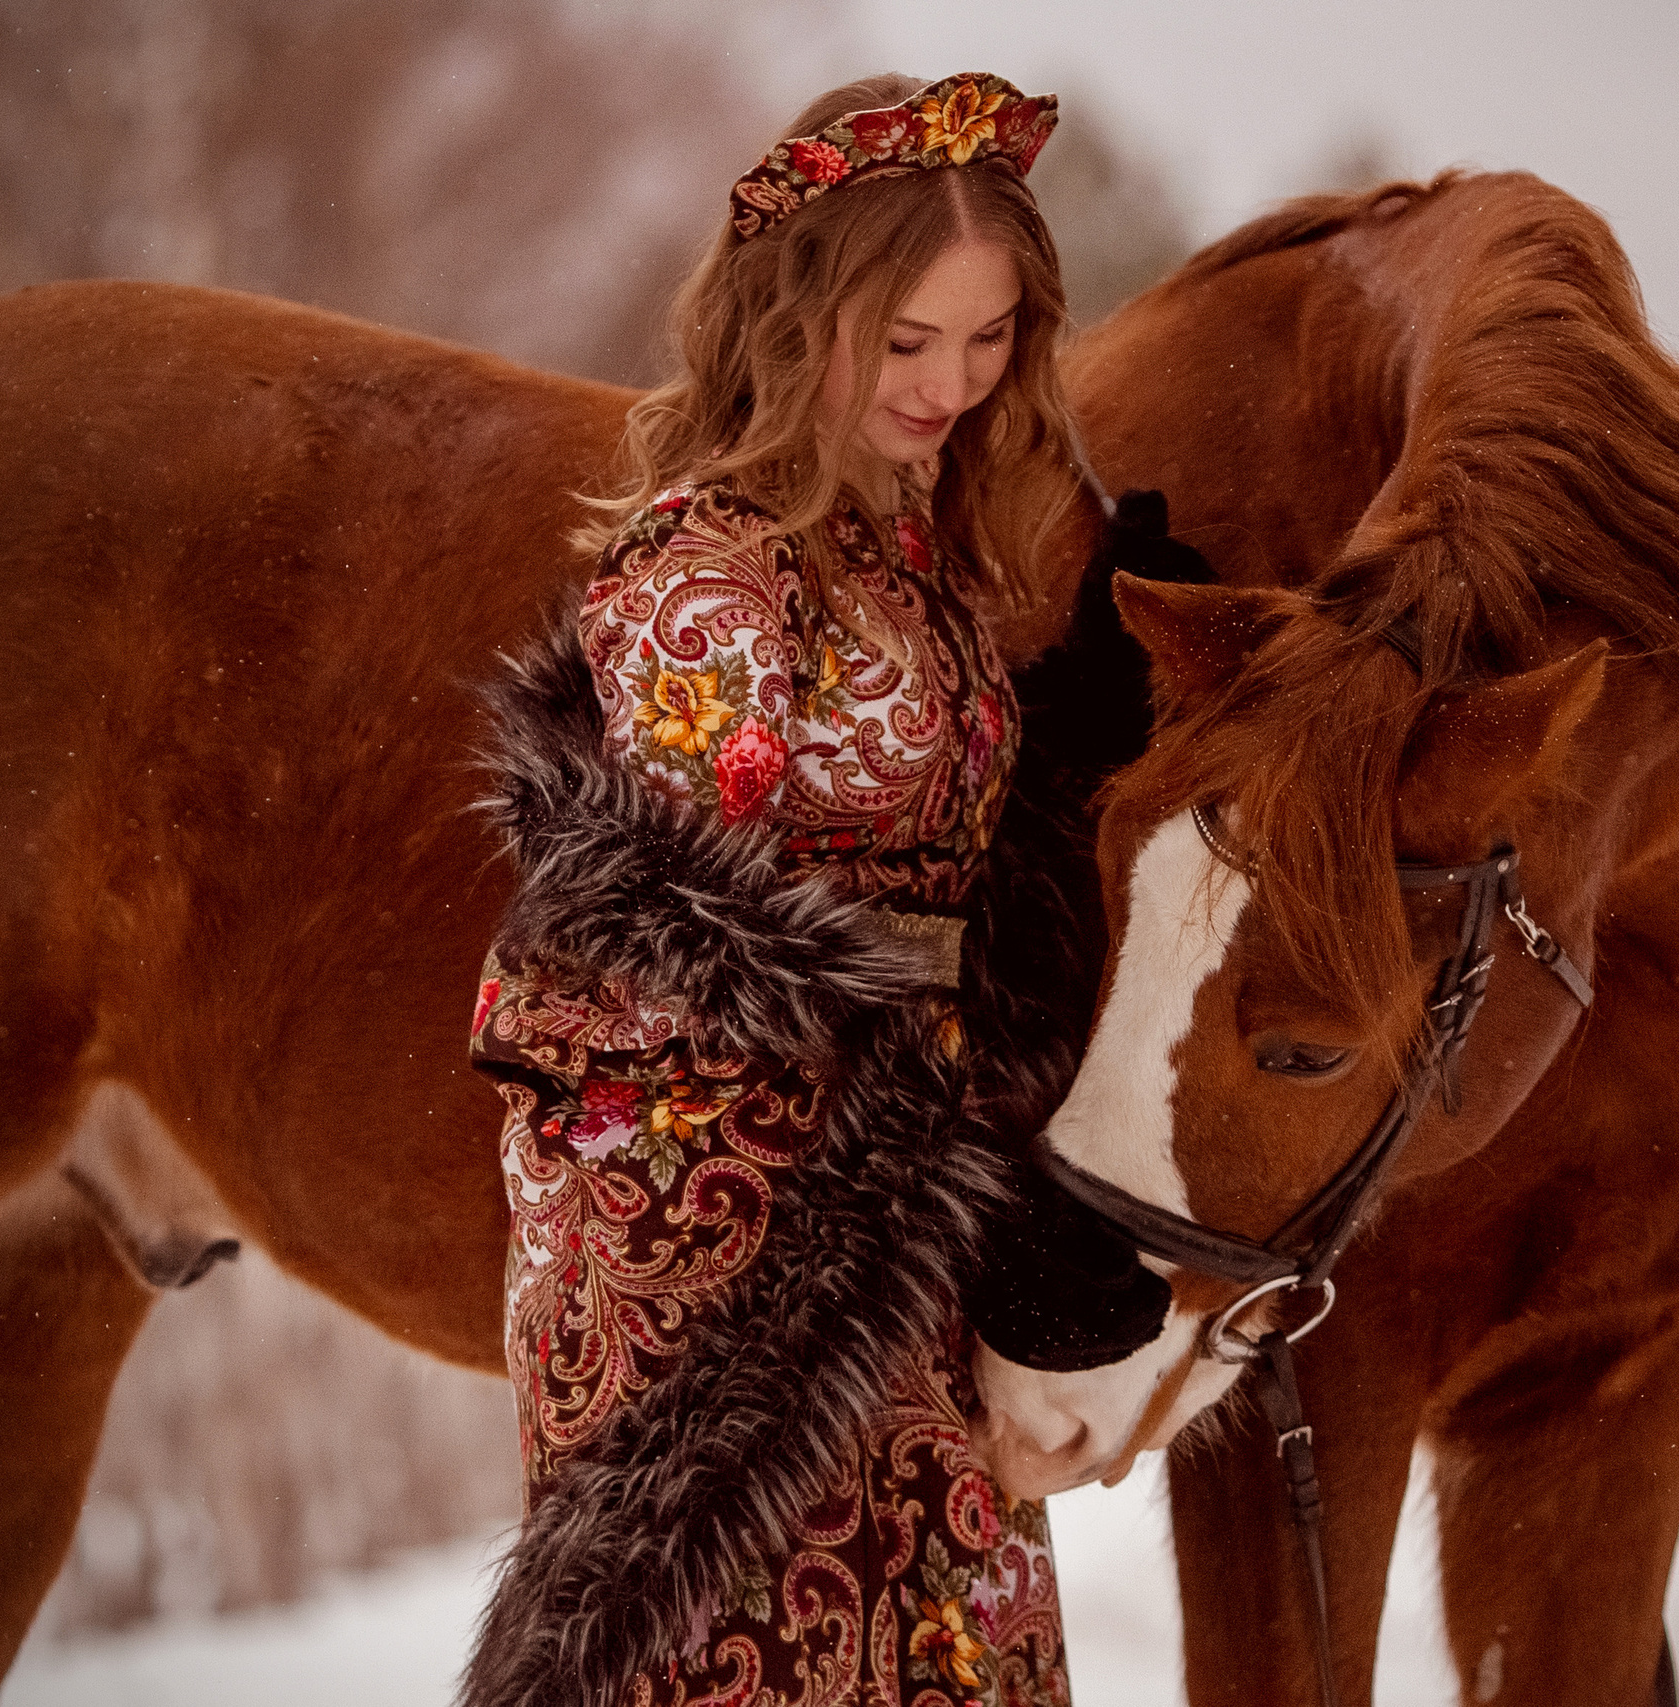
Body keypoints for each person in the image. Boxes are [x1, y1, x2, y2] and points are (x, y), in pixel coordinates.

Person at [462, 72, 1086, 1707]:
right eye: (907, 341)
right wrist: (930, 1017)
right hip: (714, 1224)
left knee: (946, 1633)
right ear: (802, 312)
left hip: (896, 1179)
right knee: (754, 1647)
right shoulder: (704, 568)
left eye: (990, 335)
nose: (953, 382)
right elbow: (665, 930)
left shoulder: (913, 548)